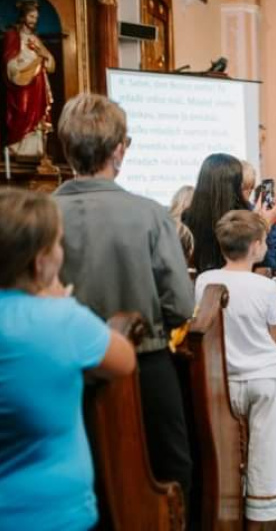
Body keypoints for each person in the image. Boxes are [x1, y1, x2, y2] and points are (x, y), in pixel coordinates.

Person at [53, 93, 196, 508]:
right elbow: (180, 304)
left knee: (84, 481)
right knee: (169, 472)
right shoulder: (150, 214)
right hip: (144, 365)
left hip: (68, 368)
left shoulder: (42, 213)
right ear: (119, 149)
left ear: (66, 147)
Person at [0, 188, 136, 530]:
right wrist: (57, 298)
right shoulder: (61, 320)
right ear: (41, 261)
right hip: (52, 513)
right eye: (57, 244)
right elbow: (123, 359)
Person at [195, 210, 276, 525]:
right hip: (265, 377)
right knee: (270, 454)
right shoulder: (263, 286)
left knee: (228, 453)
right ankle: (264, 512)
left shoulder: (205, 280)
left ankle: (226, 511)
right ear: (258, 245)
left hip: (223, 379)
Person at [183, 154, 276, 274]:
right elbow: (266, 267)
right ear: (233, 186)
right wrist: (264, 225)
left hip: (200, 288)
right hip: (239, 288)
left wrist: (254, 218)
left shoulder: (187, 217)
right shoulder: (236, 219)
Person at [2, 0, 56, 157]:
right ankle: (18, 146)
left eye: (36, 18)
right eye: (31, 17)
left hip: (37, 86)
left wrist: (44, 56)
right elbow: (8, 62)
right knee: (22, 112)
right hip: (20, 86)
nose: (34, 21)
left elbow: (51, 63)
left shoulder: (36, 39)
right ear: (23, 16)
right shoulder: (12, 36)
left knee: (37, 119)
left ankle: (35, 149)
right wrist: (22, 68)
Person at [241, 161, 276, 272]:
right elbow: (270, 265)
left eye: (250, 188)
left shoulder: (262, 213)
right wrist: (264, 224)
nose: (247, 192)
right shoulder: (239, 217)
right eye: (245, 188)